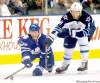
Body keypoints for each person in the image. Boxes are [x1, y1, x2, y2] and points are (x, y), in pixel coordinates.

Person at [45, 2, 96, 73]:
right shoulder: (66, 16)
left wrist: (70, 32)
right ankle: (65, 65)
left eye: (77, 12)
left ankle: (84, 63)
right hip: (71, 30)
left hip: (85, 31)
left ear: (81, 11)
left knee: (84, 42)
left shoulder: (87, 17)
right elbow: (58, 27)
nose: (74, 14)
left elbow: (86, 32)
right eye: (73, 12)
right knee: (67, 46)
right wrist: (51, 37)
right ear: (70, 11)